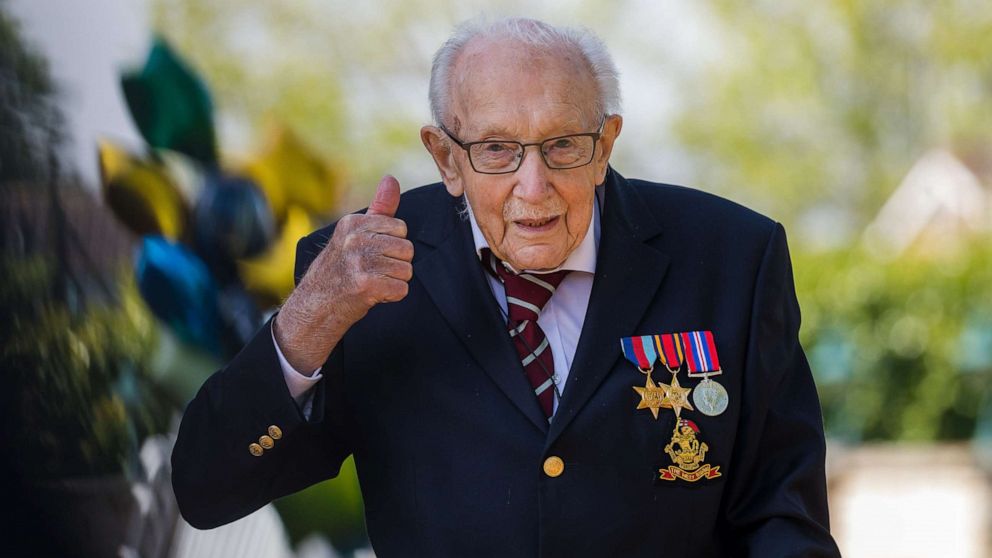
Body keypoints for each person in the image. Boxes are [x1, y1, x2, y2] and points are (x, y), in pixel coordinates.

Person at [172, 17, 841, 557]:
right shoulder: (357, 270)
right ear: (445, 157)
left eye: (563, 146)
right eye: (496, 150)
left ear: (606, 143)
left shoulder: (731, 257)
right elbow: (207, 488)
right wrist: (312, 317)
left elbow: (782, 516)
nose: (533, 186)